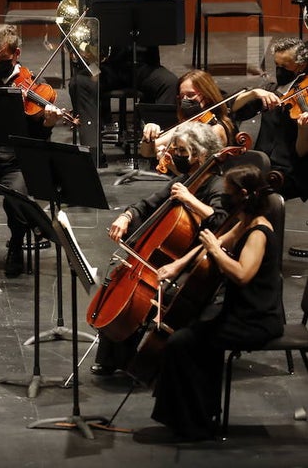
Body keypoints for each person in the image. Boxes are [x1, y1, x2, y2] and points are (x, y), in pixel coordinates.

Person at [150, 164, 284, 441]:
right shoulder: (245, 221)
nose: (224, 199)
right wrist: (178, 265)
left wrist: (215, 251)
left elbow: (242, 274)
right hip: (238, 313)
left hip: (257, 320)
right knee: (189, 339)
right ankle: (195, 416)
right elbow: (216, 241)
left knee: (182, 343)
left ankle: (194, 422)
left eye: (228, 194)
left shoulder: (259, 231)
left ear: (243, 194)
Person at [92, 121, 229, 376]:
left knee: (155, 290)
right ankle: (115, 356)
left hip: (198, 259)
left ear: (199, 154)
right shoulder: (183, 179)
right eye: (174, 150)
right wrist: (127, 216)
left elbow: (221, 222)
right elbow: (146, 204)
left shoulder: (217, 186)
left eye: (179, 151)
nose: (174, 156)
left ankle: (139, 357)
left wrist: (190, 200)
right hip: (169, 257)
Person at [0, 23, 67, 277]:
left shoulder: (36, 84)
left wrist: (47, 122)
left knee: (16, 195)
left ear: (16, 54)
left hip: (17, 160)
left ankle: (16, 246)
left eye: (3, 59)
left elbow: (39, 139)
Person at [68, 0, 179, 138]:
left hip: (144, 67)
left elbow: (162, 35)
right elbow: (94, 39)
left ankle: (158, 146)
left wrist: (142, 6)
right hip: (112, 67)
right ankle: (93, 149)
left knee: (170, 82)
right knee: (79, 82)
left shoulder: (156, 0)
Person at [231, 37, 308, 204]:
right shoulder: (271, 91)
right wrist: (254, 93)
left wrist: (303, 129)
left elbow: (302, 153)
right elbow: (233, 109)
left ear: (300, 66)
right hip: (262, 162)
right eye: (277, 65)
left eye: (285, 67)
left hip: (290, 170)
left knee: (251, 194)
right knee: (232, 183)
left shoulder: (304, 95)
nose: (279, 71)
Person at [141, 69, 236, 171]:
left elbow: (200, 177)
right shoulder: (189, 123)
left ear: (207, 96)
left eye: (191, 95)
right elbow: (148, 152)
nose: (185, 99)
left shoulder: (215, 129)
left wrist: (171, 167)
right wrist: (149, 136)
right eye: (182, 96)